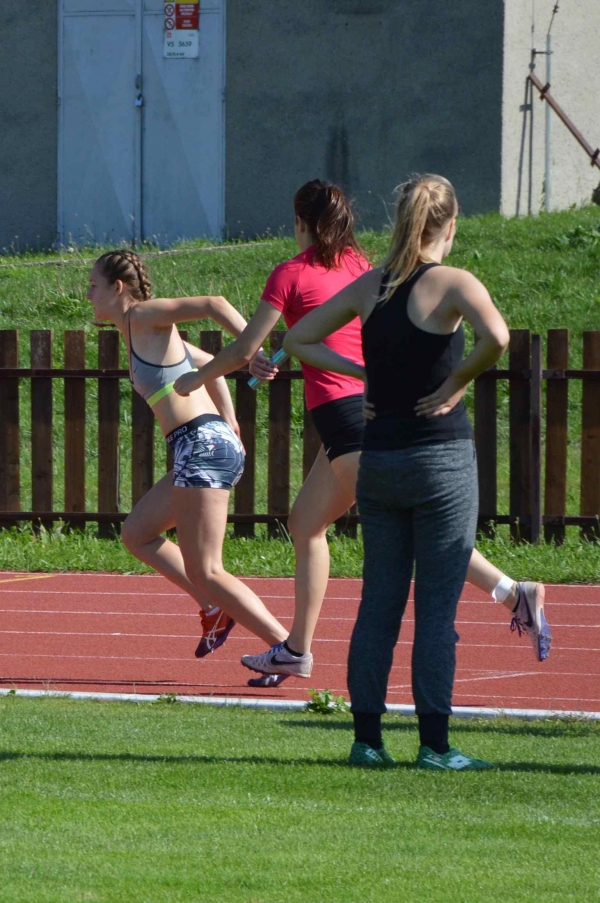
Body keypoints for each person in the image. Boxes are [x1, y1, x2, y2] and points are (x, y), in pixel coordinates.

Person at [174, 180, 550, 686]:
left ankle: (512, 592)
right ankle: (296, 651)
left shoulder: (291, 273)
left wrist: (196, 378)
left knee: (415, 530)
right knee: (306, 523)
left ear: (301, 223)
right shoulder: (359, 265)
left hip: (348, 415)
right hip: (356, 414)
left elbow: (246, 349)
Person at [284, 174, 551, 770]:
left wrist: (359, 377)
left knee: (378, 604)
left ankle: (367, 740)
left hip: (379, 459)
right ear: (449, 226)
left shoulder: (369, 285)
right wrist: (456, 383)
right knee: (435, 610)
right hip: (440, 461)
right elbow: (498, 338)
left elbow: (299, 338)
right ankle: (434, 745)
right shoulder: (453, 282)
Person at [87, 250, 288, 659]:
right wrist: (230, 418)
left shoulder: (142, 315)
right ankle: (215, 608)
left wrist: (254, 352)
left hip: (201, 445)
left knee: (208, 569)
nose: (87, 295)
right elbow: (209, 365)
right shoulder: (144, 334)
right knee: (137, 534)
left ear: (117, 288)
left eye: (93, 286)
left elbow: (214, 304)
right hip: (202, 444)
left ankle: (287, 647)